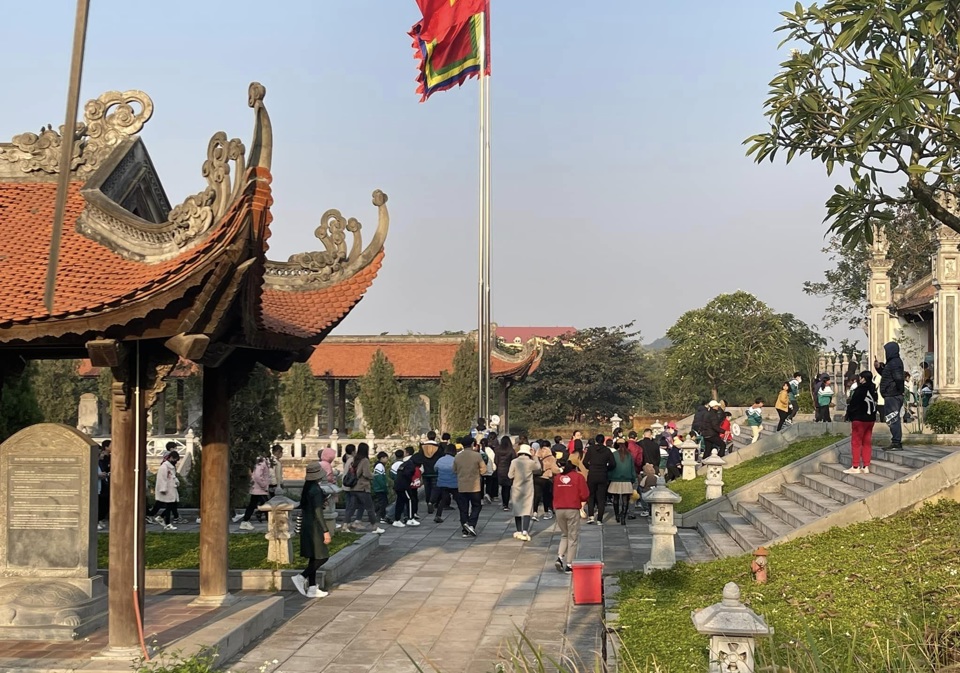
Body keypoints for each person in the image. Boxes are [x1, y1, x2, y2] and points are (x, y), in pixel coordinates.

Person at [292, 462, 332, 599]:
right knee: (323, 556)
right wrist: (325, 531)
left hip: (307, 524)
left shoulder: (308, 488)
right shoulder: (315, 490)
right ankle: (301, 576)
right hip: (315, 526)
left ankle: (312, 588)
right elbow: (318, 512)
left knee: (314, 556)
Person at [552, 460, 589, 573]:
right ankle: (569, 564)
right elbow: (585, 494)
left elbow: (554, 492)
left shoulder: (557, 478)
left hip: (559, 509)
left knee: (564, 534)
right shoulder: (578, 477)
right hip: (572, 508)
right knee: (573, 537)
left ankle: (560, 557)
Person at [343, 443, 383, 533]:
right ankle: (375, 527)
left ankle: (345, 525)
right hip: (363, 487)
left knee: (351, 507)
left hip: (354, 487)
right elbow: (366, 473)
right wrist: (373, 476)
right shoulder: (365, 460)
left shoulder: (355, 459)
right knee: (370, 508)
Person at [845, 371, 878, 474]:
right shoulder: (873, 390)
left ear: (863, 378)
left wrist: (849, 415)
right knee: (867, 442)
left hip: (859, 419)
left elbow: (853, 404)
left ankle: (855, 466)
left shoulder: (860, 390)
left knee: (856, 442)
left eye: (861, 377)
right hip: (870, 419)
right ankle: (866, 466)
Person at [453, 436, 485, 537]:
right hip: (474, 486)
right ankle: (471, 524)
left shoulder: (457, 456)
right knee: (477, 506)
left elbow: (454, 470)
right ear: (472, 444)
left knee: (463, 508)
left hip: (462, 485)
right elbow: (483, 470)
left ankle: (465, 529)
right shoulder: (477, 456)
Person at [875, 341, 906, 450]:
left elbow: (898, 378)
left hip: (893, 395)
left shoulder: (895, 363)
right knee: (892, 418)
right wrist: (879, 368)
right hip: (891, 394)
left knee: (893, 418)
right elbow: (887, 375)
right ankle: (895, 441)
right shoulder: (892, 363)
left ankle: (896, 442)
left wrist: (900, 391)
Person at [508, 444, 542, 541]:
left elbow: (510, 475)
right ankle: (525, 531)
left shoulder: (514, 462)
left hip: (516, 488)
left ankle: (518, 530)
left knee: (517, 509)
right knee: (527, 509)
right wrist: (535, 455)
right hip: (528, 488)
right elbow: (538, 467)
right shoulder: (530, 462)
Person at [583, 433, 615, 525]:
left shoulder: (591, 449)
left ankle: (591, 516)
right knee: (601, 497)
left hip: (592, 474)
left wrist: (590, 467)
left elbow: (585, 462)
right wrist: (606, 469)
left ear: (596, 440)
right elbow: (613, 463)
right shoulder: (607, 450)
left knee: (591, 496)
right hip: (603, 474)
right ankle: (600, 519)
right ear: (603, 441)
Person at [233, 456, 271, 530]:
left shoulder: (259, 461)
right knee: (266, 506)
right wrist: (264, 485)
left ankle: (245, 521)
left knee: (253, 505)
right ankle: (271, 523)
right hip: (260, 488)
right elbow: (257, 476)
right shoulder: (261, 462)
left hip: (257, 488)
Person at [609, 438, 637, 525]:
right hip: (627, 480)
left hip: (615, 479)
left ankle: (617, 515)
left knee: (615, 499)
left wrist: (609, 477)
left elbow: (610, 467)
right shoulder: (629, 455)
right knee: (625, 500)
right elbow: (632, 469)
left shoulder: (613, 454)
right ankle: (623, 518)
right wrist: (633, 479)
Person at [154, 450, 180, 530]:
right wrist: (163, 489)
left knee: (171, 506)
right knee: (170, 507)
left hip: (171, 489)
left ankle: (163, 519)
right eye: (175, 460)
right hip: (167, 490)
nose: (175, 462)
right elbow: (162, 479)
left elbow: (172, 477)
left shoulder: (169, 467)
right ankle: (167, 522)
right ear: (171, 458)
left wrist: (176, 481)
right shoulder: (164, 467)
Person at [533, 442, 559, 521]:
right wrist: (561, 470)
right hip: (546, 478)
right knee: (546, 496)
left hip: (537, 477)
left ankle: (535, 512)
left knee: (537, 495)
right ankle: (546, 512)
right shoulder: (551, 457)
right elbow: (555, 470)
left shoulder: (536, 457)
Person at [433, 444, 458, 522]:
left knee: (443, 500)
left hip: (442, 483)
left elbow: (435, 469)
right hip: (454, 483)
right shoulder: (455, 460)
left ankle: (438, 515)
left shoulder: (440, 460)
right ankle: (465, 515)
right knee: (459, 499)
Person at [418, 432, 442, 513]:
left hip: (425, 471)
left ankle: (428, 501)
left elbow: (420, 458)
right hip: (435, 471)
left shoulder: (422, 447)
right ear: (435, 437)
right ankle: (432, 501)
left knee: (427, 488)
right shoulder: (438, 447)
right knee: (435, 488)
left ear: (427, 437)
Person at [494, 435, 517, 511]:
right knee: (507, 487)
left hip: (500, 470)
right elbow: (514, 460)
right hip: (508, 469)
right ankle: (506, 504)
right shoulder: (511, 450)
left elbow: (496, 461)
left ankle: (504, 503)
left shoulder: (497, 450)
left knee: (503, 487)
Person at [372, 451, 390, 524]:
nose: (387, 460)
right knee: (383, 503)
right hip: (380, 488)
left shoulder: (379, 465)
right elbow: (379, 478)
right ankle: (381, 517)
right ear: (382, 458)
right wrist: (384, 486)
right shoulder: (379, 466)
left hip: (379, 487)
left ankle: (377, 514)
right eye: (386, 458)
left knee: (381, 502)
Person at [97, 442, 111, 527]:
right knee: (99, 504)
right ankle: (97, 521)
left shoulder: (99, 462)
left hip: (102, 485)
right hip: (97, 487)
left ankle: (99, 519)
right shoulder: (99, 461)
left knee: (104, 504)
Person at [482, 437, 498, 504]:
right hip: (489, 469)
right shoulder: (490, 450)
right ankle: (488, 494)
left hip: (481, 470)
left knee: (481, 484)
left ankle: (481, 496)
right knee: (489, 483)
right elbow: (493, 459)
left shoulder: (480, 451)